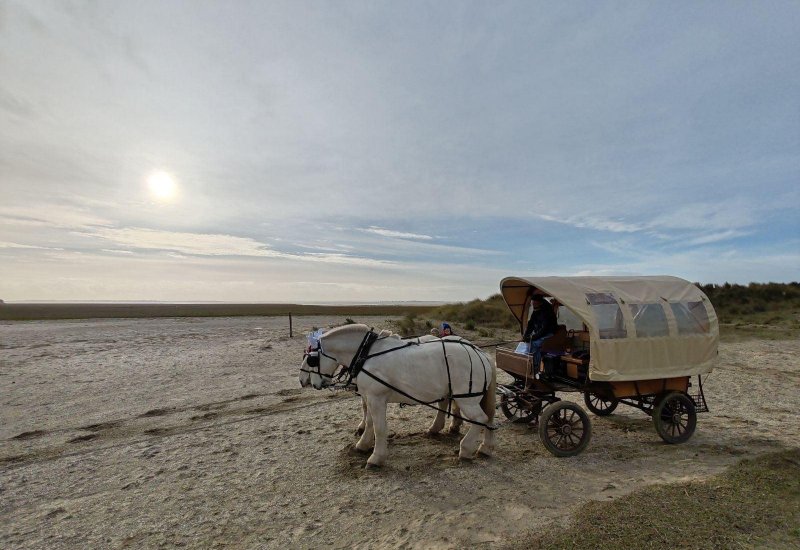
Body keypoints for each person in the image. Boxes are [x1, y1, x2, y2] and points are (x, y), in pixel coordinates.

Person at [522, 294, 558, 378]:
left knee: (535, 344)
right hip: (541, 332)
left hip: (550, 333)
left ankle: (535, 369)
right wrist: (526, 335)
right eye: (532, 302)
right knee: (529, 342)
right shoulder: (536, 310)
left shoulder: (547, 311)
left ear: (540, 302)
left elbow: (545, 328)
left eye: (534, 302)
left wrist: (534, 337)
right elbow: (531, 323)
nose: (532, 304)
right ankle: (528, 365)